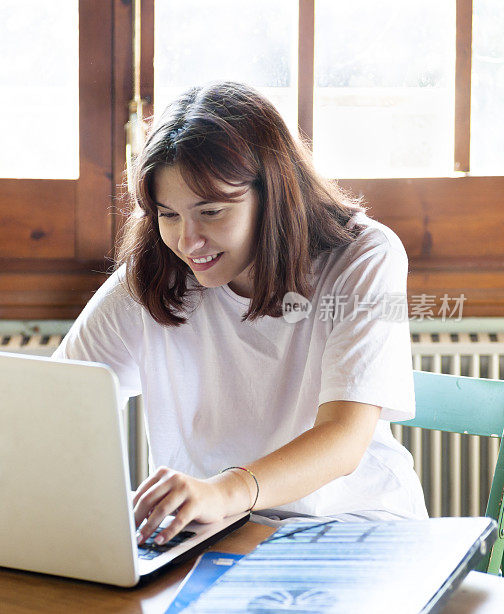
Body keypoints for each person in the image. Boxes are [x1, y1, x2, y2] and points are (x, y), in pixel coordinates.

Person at [53, 81, 427, 548]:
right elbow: (55, 408)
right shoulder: (154, 276)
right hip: (213, 535)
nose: (188, 242)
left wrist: (223, 491)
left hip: (354, 527)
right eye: (168, 215)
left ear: (273, 194)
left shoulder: (362, 256)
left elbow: (343, 438)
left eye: (210, 212)